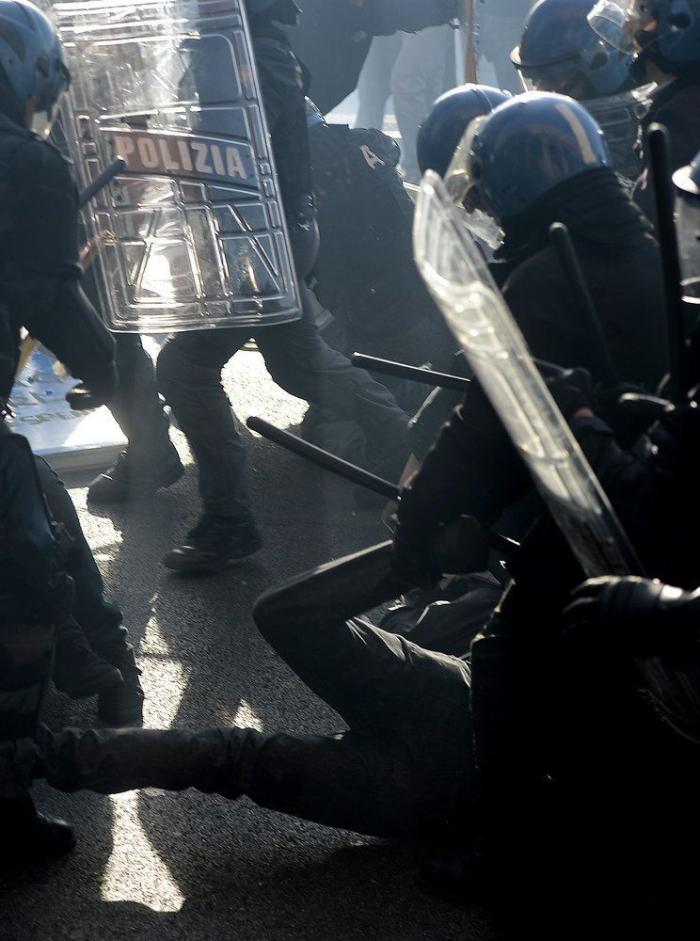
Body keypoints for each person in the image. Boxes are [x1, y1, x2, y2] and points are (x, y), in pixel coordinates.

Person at [156, 0, 412, 575]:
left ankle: (230, 522)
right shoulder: (240, 46)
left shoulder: (250, 53)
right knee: (297, 363)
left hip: (258, 237)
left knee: (185, 369)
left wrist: (164, 148)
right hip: (262, 233)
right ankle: (406, 444)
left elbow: (237, 147)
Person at [0, 0, 143, 726]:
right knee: (31, 552)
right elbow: (73, 327)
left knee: (37, 497)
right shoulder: (28, 163)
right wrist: (122, 389)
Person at [299, 100, 455, 456]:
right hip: (427, 304)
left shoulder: (298, 172)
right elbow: (388, 148)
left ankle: (413, 395)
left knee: (333, 436)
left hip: (386, 324)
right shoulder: (361, 146)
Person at [511, 0, 650, 181]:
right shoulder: (554, 161)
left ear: (602, 63)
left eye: (560, 87)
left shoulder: (665, 122)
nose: (550, 100)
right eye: (539, 84)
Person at [588, 0, 700, 212]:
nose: (626, 25)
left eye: (643, 12)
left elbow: (654, 215)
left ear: (680, 27)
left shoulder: (677, 119)